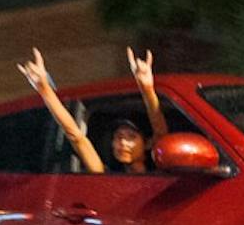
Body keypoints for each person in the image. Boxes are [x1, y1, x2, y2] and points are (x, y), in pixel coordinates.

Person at [17, 46, 167, 174]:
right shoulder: (105, 174)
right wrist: (44, 89)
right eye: (118, 136)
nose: (122, 142)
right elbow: (76, 136)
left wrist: (146, 88)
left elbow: (160, 131)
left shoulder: (162, 173)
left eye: (131, 137)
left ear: (147, 143)